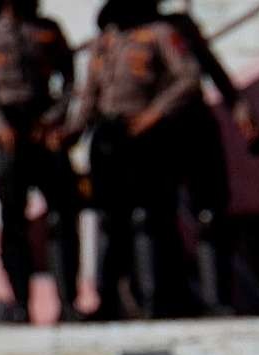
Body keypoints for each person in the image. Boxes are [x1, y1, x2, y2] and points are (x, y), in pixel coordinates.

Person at [74, 0, 204, 319]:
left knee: (152, 218)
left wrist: (154, 114)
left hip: (148, 138)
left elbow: (187, 78)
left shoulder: (160, 34)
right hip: (109, 138)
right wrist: (71, 133)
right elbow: (90, 95)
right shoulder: (104, 43)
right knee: (111, 222)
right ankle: (107, 300)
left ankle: (157, 299)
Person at [0, 0, 82, 324]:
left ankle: (67, 301)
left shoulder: (49, 30)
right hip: (8, 132)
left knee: (62, 216)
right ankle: (19, 303)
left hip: (43, 129)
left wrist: (56, 119)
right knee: (13, 221)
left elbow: (70, 78)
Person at [160, 1, 259, 314]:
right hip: (150, 140)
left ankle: (216, 299)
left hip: (193, 131)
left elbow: (216, 75)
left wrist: (243, 116)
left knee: (210, 217)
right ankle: (164, 298)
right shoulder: (121, 35)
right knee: (155, 221)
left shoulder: (179, 30)